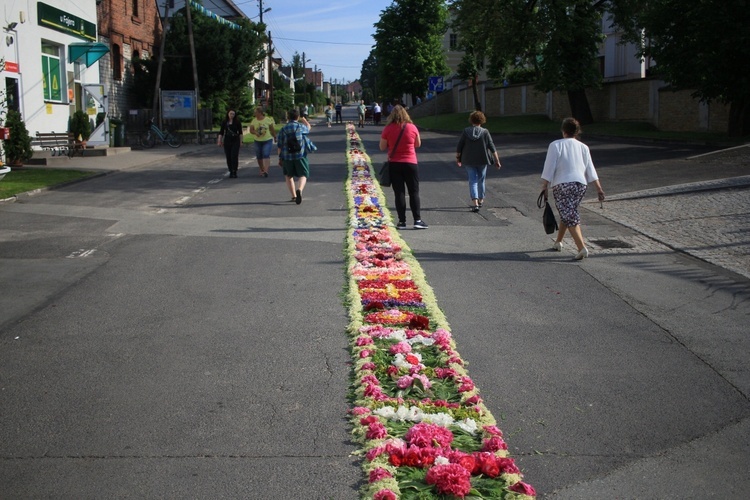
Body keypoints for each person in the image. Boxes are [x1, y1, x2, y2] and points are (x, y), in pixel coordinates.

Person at [541, 117, 605, 260]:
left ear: (563, 130)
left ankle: (581, 248)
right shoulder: (583, 147)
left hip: (562, 184)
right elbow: (590, 169)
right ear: (576, 132)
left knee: (569, 214)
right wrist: (599, 188)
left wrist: (544, 185)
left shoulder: (556, 145)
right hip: (580, 184)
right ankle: (558, 242)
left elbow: (549, 166)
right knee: (568, 211)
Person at [379, 104, 428, 230]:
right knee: (414, 192)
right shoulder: (412, 127)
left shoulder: (388, 128)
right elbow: (418, 144)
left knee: (399, 193)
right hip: (411, 163)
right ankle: (417, 220)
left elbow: (382, 147)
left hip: (394, 163)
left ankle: (402, 222)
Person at [456, 111, 501, 212]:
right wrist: (497, 161)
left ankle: (475, 203)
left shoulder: (466, 131)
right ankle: (481, 199)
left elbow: (460, 145)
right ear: (482, 120)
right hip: (482, 159)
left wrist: (458, 158)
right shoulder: (485, 132)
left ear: (471, 120)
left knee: (473, 181)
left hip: (468, 160)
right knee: (481, 180)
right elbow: (492, 147)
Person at [277, 108, 311, 205]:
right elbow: (308, 128)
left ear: (288, 117)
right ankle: (299, 189)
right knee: (303, 174)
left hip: (287, 156)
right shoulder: (301, 127)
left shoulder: (283, 129)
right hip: (300, 155)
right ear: (298, 117)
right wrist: (304, 120)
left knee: (288, 175)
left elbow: (279, 145)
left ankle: (293, 196)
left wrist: (280, 158)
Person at [249, 106, 276, 177]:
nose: (254, 113)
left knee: (266, 154)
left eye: (256, 112)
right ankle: (262, 169)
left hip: (267, 140)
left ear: (260, 113)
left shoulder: (267, 119)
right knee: (259, 156)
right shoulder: (254, 120)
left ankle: (266, 171)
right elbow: (251, 130)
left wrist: (275, 136)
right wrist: (255, 132)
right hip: (257, 140)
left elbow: (272, 129)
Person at [217, 109, 243, 178]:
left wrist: (241, 142)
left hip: (235, 140)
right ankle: (230, 170)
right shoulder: (225, 122)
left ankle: (234, 171)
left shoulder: (237, 122)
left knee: (234, 156)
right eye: (230, 114)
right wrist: (219, 141)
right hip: (227, 140)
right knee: (228, 156)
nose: (232, 115)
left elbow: (240, 133)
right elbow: (221, 132)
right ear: (228, 114)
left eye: (233, 114)